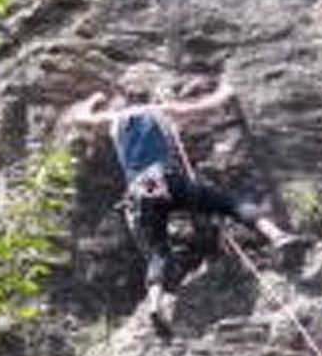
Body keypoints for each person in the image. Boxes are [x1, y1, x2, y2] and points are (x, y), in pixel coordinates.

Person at [65, 78, 302, 337]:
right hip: (165, 176)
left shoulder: (114, 120)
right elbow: (200, 108)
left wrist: (93, 101)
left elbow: (82, 119)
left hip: (142, 189)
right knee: (229, 204)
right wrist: (225, 91)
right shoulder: (158, 111)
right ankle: (277, 236)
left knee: (157, 250)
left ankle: (155, 306)